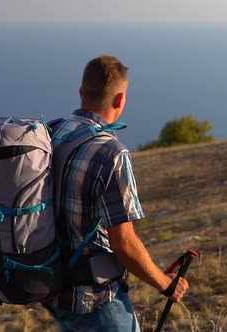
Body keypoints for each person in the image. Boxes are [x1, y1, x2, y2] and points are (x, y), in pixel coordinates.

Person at [43, 55, 189, 331]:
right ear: (120, 100)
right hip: (95, 299)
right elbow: (123, 243)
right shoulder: (111, 154)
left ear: (81, 92)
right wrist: (165, 283)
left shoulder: (53, 132)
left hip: (54, 287)